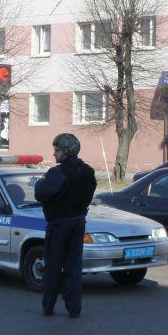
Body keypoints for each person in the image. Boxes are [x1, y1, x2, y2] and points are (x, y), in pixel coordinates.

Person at [34, 133, 97, 318]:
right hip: (78, 222)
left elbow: (41, 193)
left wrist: (39, 182)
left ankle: (48, 306)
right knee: (73, 267)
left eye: (57, 150)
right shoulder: (88, 171)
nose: (54, 154)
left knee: (53, 266)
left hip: (59, 224)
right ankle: (74, 308)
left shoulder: (57, 173)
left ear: (67, 151)